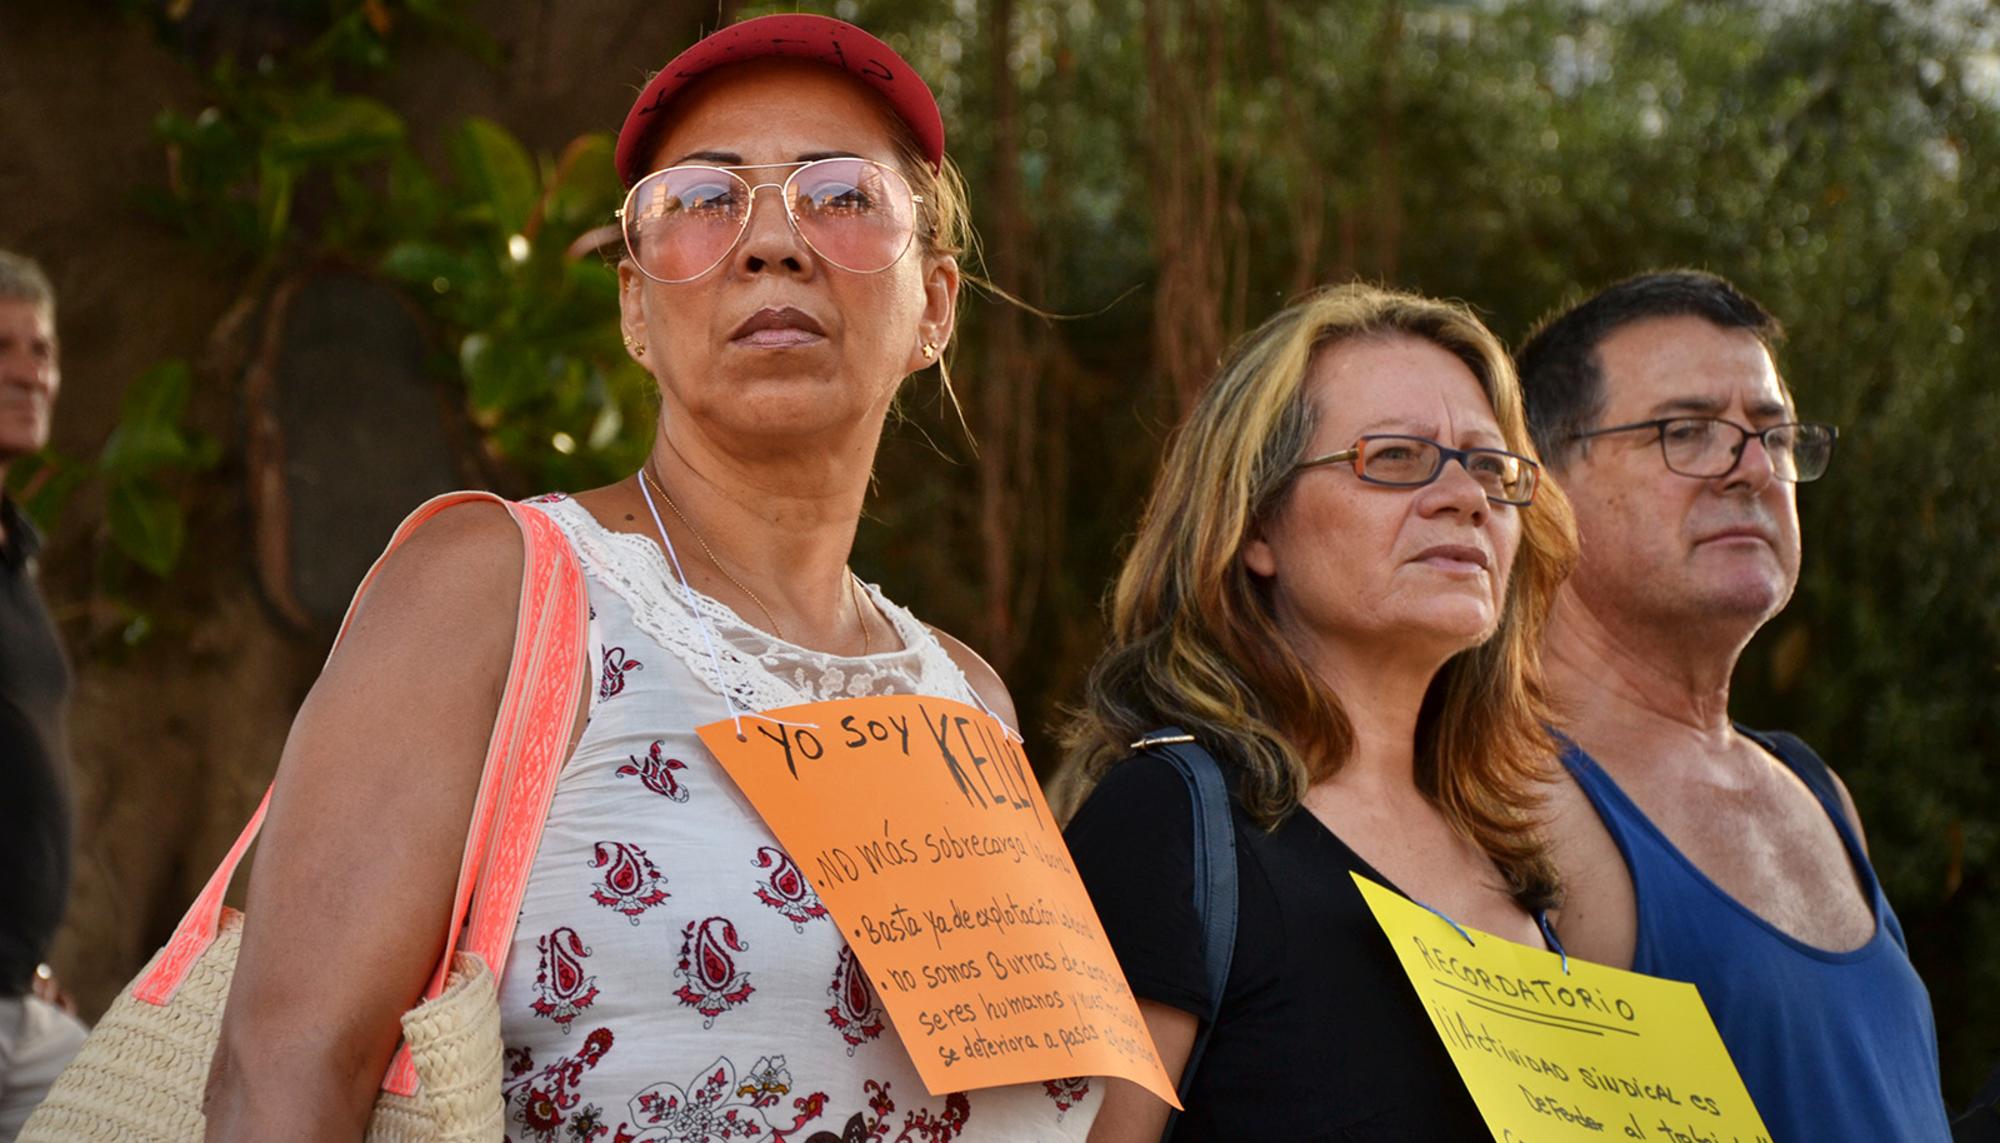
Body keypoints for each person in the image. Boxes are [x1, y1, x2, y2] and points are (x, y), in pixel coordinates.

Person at [205, 15, 1097, 1140]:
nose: (771, 243)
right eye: (704, 200)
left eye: (839, 195)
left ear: (934, 305)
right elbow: (285, 1071)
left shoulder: (969, 702)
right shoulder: (502, 592)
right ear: (635, 307)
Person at [1056, 284, 1578, 1140]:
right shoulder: (1167, 826)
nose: (1467, 498)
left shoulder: (1512, 854)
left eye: (1492, 467)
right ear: (1256, 522)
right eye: (1398, 457)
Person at [1516, 269, 1952, 1141]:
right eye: (1687, 431)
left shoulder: (1816, 790)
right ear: (1544, 488)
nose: (1752, 468)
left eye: (1774, 434)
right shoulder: (1519, 801)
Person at [0, 249, 85, 1141]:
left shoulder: (16, 557)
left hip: (20, 1001)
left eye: (42, 349)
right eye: (4, 348)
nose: (30, 371)